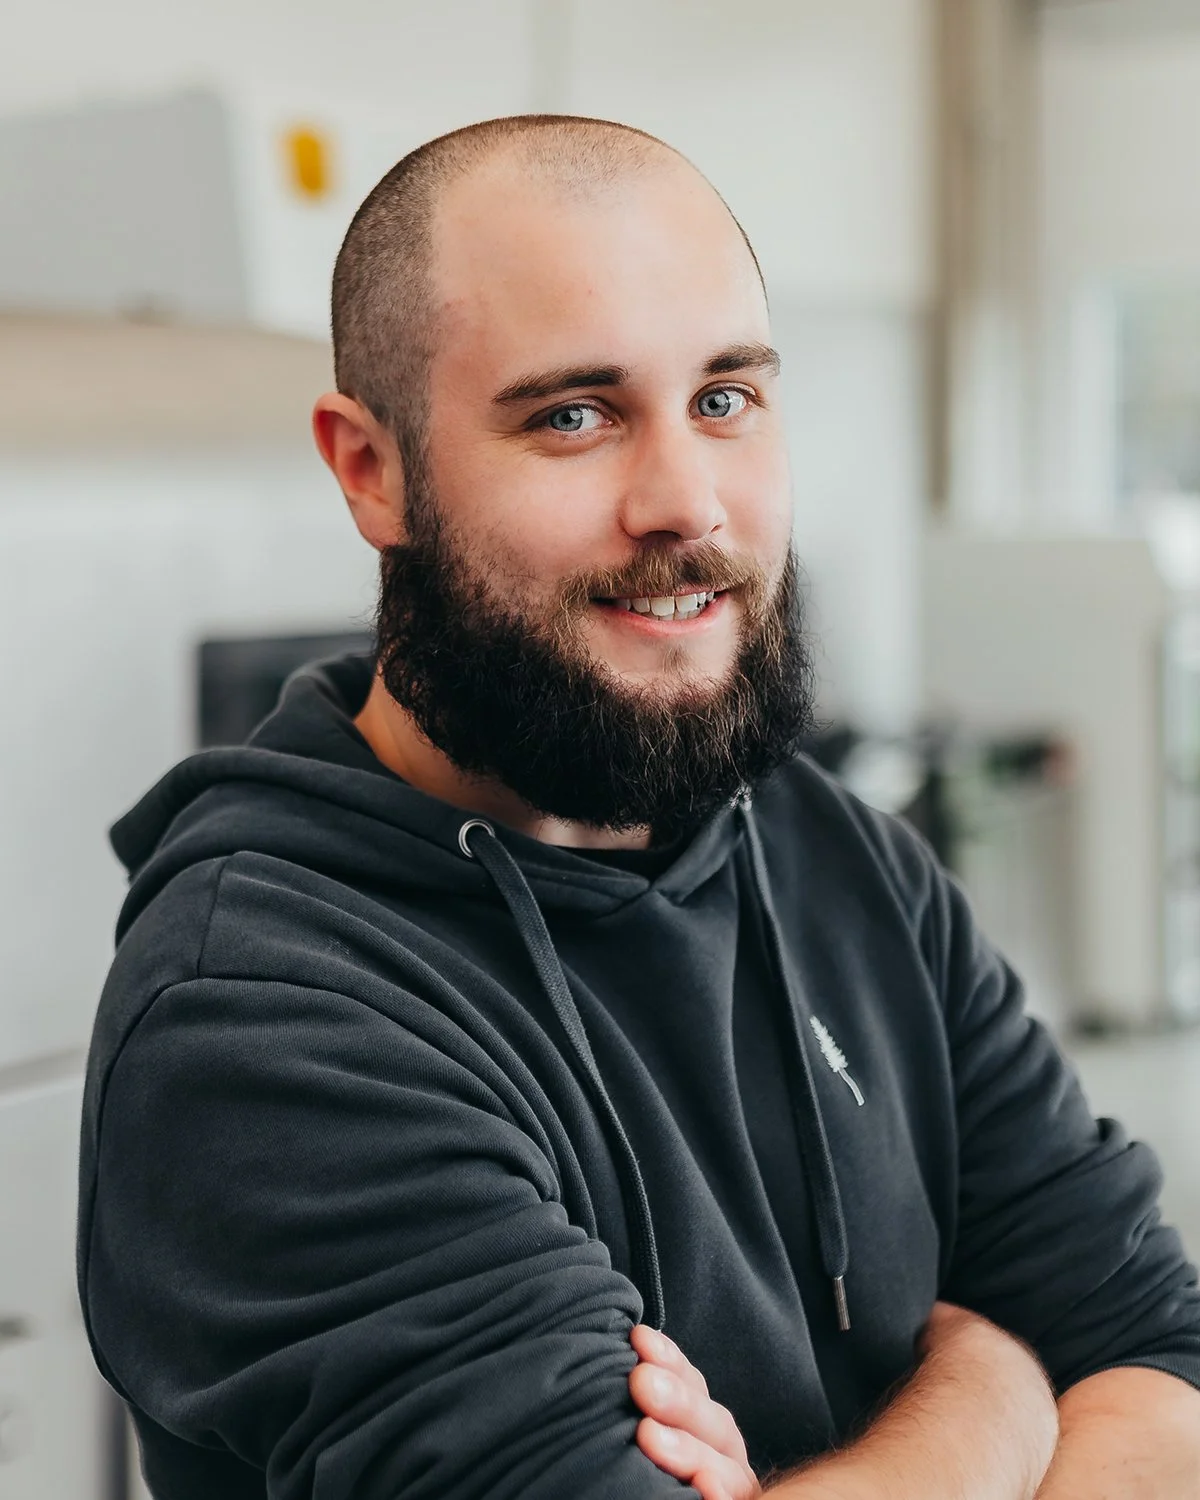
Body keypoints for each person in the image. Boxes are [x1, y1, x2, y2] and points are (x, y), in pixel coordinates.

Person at [77, 114, 1200, 1500]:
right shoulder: (268, 1017)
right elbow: (1081, 1365)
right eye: (574, 415)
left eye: (724, 398)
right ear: (371, 469)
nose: (685, 503)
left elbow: (1159, 1356)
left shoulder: (837, 856)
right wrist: (993, 1393)